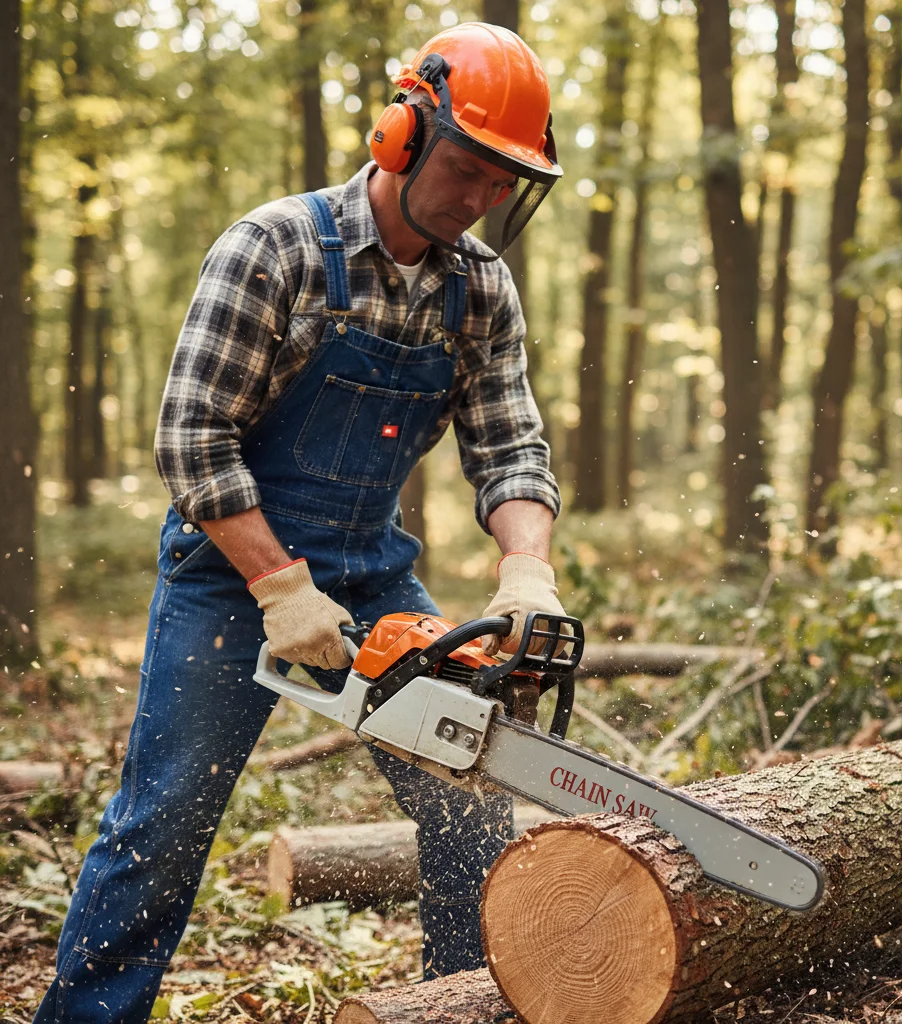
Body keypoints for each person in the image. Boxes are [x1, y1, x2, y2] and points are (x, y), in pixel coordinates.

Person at [35, 22, 567, 1023]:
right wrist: (280, 586)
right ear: (400, 136)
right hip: (230, 577)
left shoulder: (479, 289)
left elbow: (508, 446)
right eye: (465, 169)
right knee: (163, 825)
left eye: (502, 181)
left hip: (372, 573)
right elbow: (193, 438)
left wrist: (525, 574)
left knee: (464, 810)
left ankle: (450, 1005)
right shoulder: (274, 248)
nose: (480, 199)